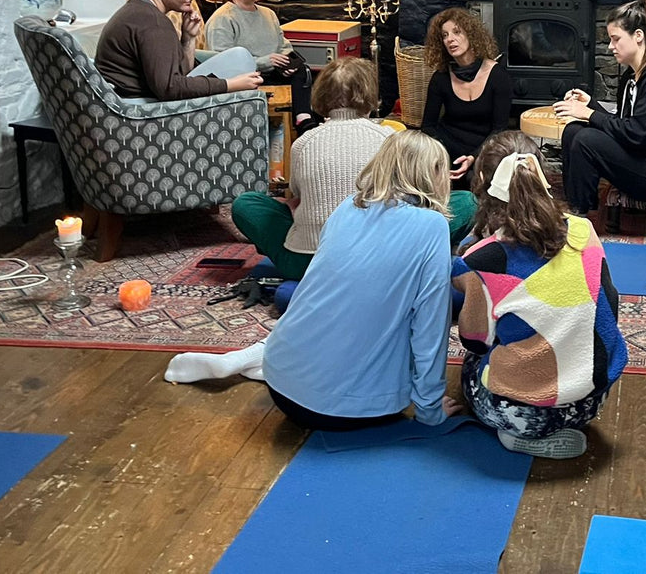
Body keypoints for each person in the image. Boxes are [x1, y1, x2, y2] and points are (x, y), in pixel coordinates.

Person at [163, 130, 461, 431]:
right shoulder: (432, 225)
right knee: (424, 307)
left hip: (280, 386)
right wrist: (430, 409)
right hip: (344, 409)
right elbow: (431, 325)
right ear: (433, 174)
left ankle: (260, 355)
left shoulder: (348, 206)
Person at [452, 132, 627, 459]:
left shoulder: (479, 261)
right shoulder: (583, 229)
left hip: (524, 412)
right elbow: (610, 305)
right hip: (591, 399)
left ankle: (518, 436)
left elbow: (475, 341)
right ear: (544, 174)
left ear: (482, 181)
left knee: (472, 363)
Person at [228, 58, 389, 280]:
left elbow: (297, 197)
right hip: (374, 260)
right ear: (371, 94)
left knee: (246, 204)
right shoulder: (390, 138)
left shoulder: (304, 142)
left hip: (307, 263)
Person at [554, 0, 646, 218]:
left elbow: (638, 135)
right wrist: (591, 105)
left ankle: (579, 217)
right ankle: (576, 208)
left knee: (586, 140)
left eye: (616, 39)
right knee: (573, 131)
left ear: (638, 36)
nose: (610, 47)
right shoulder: (632, 76)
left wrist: (589, 114)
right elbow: (626, 126)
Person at [95, 0, 262, 100]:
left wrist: (188, 39)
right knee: (240, 58)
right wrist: (230, 84)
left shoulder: (140, 10)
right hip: (139, 107)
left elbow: (181, 74)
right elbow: (170, 88)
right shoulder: (154, 23)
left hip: (128, 99)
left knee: (240, 57)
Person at [204, 0, 313, 121]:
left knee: (303, 71)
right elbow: (222, 63)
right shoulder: (222, 18)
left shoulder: (268, 14)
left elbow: (283, 45)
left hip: (274, 72)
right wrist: (263, 62)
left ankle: (303, 119)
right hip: (245, 78)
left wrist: (287, 64)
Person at [421, 7, 514, 182]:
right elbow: (428, 126)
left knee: (476, 178)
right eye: (445, 35)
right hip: (448, 146)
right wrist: (442, 156)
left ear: (471, 35)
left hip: (484, 147)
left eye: (457, 32)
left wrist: (473, 157)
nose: (450, 39)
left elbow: (499, 129)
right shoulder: (440, 77)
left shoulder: (498, 76)